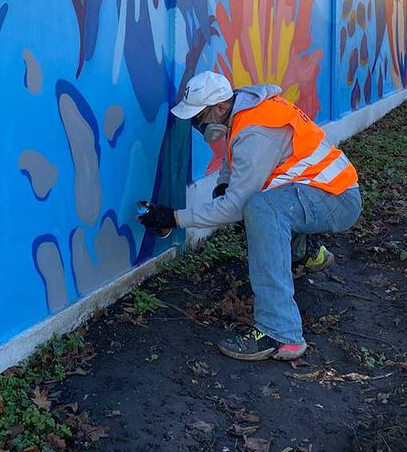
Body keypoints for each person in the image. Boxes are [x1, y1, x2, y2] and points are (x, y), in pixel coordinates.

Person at [138, 71, 362, 361]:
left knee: (262, 209)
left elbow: (235, 205)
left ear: (219, 108)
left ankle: (281, 332)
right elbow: (236, 158)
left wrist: (173, 218)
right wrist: (222, 184)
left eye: (199, 118)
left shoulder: (255, 130)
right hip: (321, 190)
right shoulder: (245, 110)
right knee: (268, 204)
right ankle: (305, 253)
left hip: (336, 199)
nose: (197, 125)